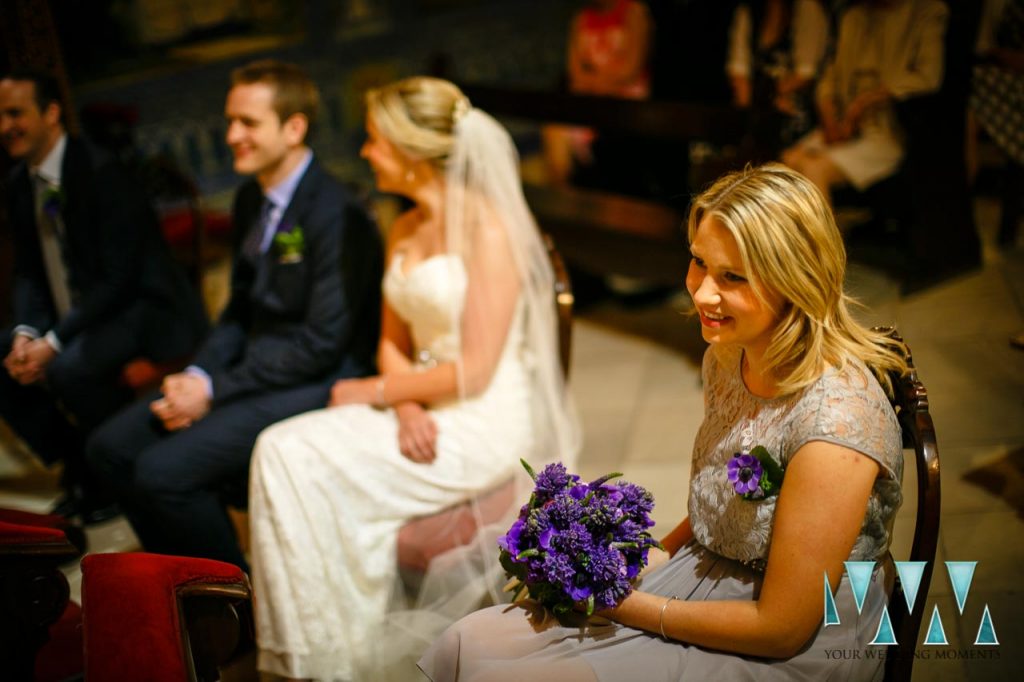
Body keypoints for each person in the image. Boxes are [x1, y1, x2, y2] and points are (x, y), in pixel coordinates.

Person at [419, 163, 910, 682]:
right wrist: (627, 561)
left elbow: (782, 627)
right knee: (465, 640)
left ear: (797, 280)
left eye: (732, 277)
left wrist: (622, 606)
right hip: (709, 570)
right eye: (699, 262)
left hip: (795, 639)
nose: (701, 294)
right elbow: (721, 504)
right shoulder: (729, 357)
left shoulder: (835, 423)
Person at [248, 76, 580, 681]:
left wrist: (372, 393)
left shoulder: (491, 232)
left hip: (482, 421)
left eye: (375, 141)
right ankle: (324, 652)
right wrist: (401, 406)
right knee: (283, 452)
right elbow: (391, 343)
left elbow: (475, 372)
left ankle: (320, 660)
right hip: (420, 405)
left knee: (287, 453)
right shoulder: (403, 226)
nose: (367, 153)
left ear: (410, 149)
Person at [85, 60, 382, 568]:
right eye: (230, 121)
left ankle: (232, 600)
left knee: (162, 471)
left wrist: (216, 389)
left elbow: (324, 343)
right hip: (255, 365)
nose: (231, 135)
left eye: (248, 123)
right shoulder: (252, 199)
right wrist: (198, 374)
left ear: (294, 128)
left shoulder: (336, 212)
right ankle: (178, 582)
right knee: (107, 448)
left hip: (318, 376)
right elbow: (238, 312)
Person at [0, 71, 208, 523]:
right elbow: (28, 274)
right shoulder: (19, 183)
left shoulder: (102, 172)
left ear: (51, 113)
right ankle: (77, 463)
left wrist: (53, 342)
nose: (4, 126)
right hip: (79, 315)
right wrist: (26, 332)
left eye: (15, 112)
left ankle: (110, 476)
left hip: (141, 310)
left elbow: (119, 280)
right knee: (4, 354)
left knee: (70, 367)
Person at [781, 0, 948, 204]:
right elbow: (831, 76)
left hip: (888, 130)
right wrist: (829, 116)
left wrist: (865, 102)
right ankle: (797, 235)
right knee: (788, 162)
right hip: (844, 126)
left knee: (814, 169)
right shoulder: (853, 16)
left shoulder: (926, 11)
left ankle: (826, 237)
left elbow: (928, 77)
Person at [542, 0, 652, 187]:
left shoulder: (634, 12)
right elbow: (574, 70)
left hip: (624, 99)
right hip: (588, 95)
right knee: (554, 128)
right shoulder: (582, 17)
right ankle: (562, 195)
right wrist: (591, 84)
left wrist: (599, 83)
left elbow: (631, 69)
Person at [727, 0, 829, 157]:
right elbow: (739, 70)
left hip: (799, 111)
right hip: (762, 105)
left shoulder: (806, 8)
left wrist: (769, 93)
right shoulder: (750, 11)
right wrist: (747, 118)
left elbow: (806, 74)